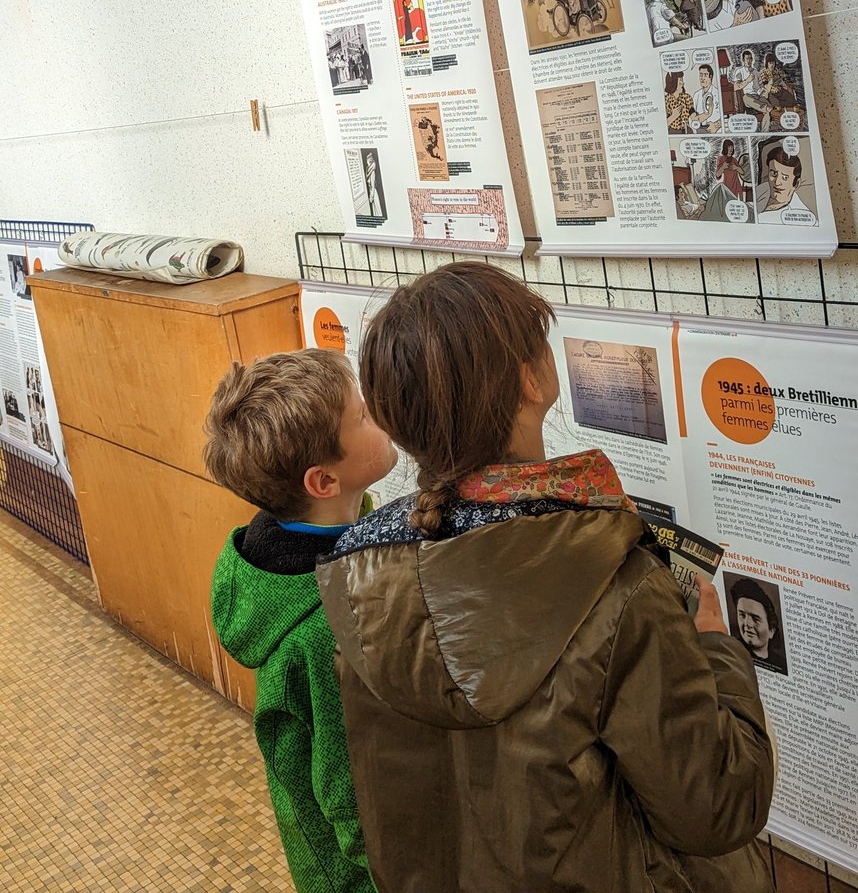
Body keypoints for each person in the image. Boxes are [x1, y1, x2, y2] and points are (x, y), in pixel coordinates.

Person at [317, 262, 775, 893]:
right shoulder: (618, 586)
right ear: (530, 381)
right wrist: (716, 647)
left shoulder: (357, 573)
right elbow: (720, 806)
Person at [206, 350, 397, 893]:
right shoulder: (320, 633)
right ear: (323, 481)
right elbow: (350, 796)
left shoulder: (303, 538)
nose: (377, 414)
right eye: (361, 415)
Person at [728, 578, 787, 673]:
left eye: (755, 619)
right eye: (742, 615)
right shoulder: (729, 651)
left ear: (771, 630)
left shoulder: (782, 665)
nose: (747, 624)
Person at [756, 144, 813, 222]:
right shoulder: (765, 187)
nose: (777, 182)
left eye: (785, 177)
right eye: (774, 174)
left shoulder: (802, 217)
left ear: (796, 184)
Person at [690, 62, 722, 132]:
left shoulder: (718, 93)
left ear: (710, 77)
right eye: (701, 75)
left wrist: (716, 125)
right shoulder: (696, 95)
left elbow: (726, 116)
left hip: (715, 130)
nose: (702, 78)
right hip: (700, 129)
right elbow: (694, 117)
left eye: (705, 75)